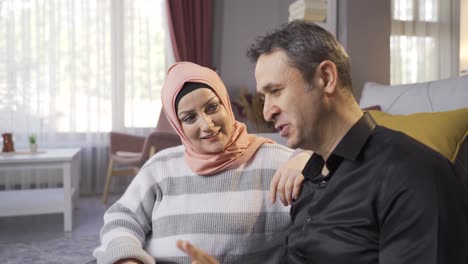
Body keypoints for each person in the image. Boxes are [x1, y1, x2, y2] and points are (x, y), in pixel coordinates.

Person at [177, 20, 468, 263]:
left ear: (326, 78)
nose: (266, 112)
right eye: (264, 98)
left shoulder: (414, 174)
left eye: (276, 91)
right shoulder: (310, 178)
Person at [93, 61, 310, 264]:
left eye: (212, 107)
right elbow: (121, 219)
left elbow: (318, 235)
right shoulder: (160, 167)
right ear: (178, 126)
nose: (207, 125)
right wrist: (127, 259)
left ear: (225, 104)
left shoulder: (282, 163)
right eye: (189, 118)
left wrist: (308, 157)